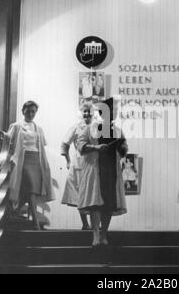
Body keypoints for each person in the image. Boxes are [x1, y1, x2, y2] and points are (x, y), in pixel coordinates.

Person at [76, 98, 128, 247]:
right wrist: (96, 148)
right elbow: (80, 144)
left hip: (111, 170)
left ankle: (104, 234)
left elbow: (124, 149)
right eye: (111, 111)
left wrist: (122, 148)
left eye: (115, 111)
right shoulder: (91, 128)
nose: (114, 113)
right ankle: (96, 236)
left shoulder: (118, 130)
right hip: (95, 169)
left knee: (109, 204)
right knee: (95, 204)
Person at [8, 101, 55, 230]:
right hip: (23, 160)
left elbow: (41, 146)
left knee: (30, 190)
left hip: (36, 160)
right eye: (28, 111)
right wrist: (11, 159)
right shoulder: (16, 126)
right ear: (23, 111)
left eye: (33, 111)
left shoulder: (38, 129)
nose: (30, 113)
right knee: (31, 190)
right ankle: (35, 221)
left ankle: (14, 210)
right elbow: (8, 144)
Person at [60, 103, 93, 230]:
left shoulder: (97, 127)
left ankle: (95, 222)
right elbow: (64, 144)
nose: (87, 114)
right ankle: (85, 223)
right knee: (80, 195)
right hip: (79, 164)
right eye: (84, 111)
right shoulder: (76, 127)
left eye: (89, 111)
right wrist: (68, 161)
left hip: (93, 164)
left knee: (93, 193)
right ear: (81, 113)